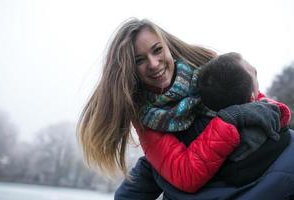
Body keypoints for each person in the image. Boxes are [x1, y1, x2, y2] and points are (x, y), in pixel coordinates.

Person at [76, 18, 285, 199]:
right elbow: (186, 174)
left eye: (157, 50)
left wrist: (268, 112)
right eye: (139, 60)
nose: (154, 63)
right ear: (130, 69)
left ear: (167, 45)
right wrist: (228, 121)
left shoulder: (206, 68)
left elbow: (264, 107)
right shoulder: (146, 119)